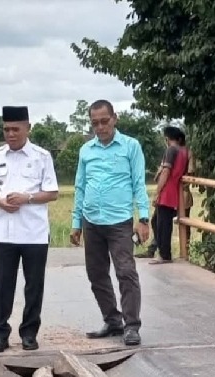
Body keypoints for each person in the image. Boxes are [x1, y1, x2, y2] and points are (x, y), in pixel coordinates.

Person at [0, 106, 59, 353]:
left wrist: (27, 198)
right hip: (5, 232)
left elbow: (53, 192)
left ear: (27, 128)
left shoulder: (41, 156)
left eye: (16, 129)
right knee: (3, 284)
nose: (10, 134)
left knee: (34, 285)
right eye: (6, 129)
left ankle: (29, 333)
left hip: (34, 232)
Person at [70, 100, 150, 346]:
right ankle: (112, 320)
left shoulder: (130, 146)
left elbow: (139, 183)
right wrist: (76, 223)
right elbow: (80, 187)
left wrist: (144, 218)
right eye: (95, 123)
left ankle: (132, 325)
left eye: (105, 121)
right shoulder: (86, 151)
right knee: (96, 273)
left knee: (125, 272)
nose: (100, 127)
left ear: (114, 118)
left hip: (119, 222)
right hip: (92, 220)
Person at [137, 126, 191, 261]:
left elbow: (166, 172)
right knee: (159, 221)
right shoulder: (184, 151)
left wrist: (157, 192)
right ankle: (163, 252)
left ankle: (164, 254)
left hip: (167, 190)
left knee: (162, 224)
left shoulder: (171, 150)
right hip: (174, 189)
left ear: (167, 138)